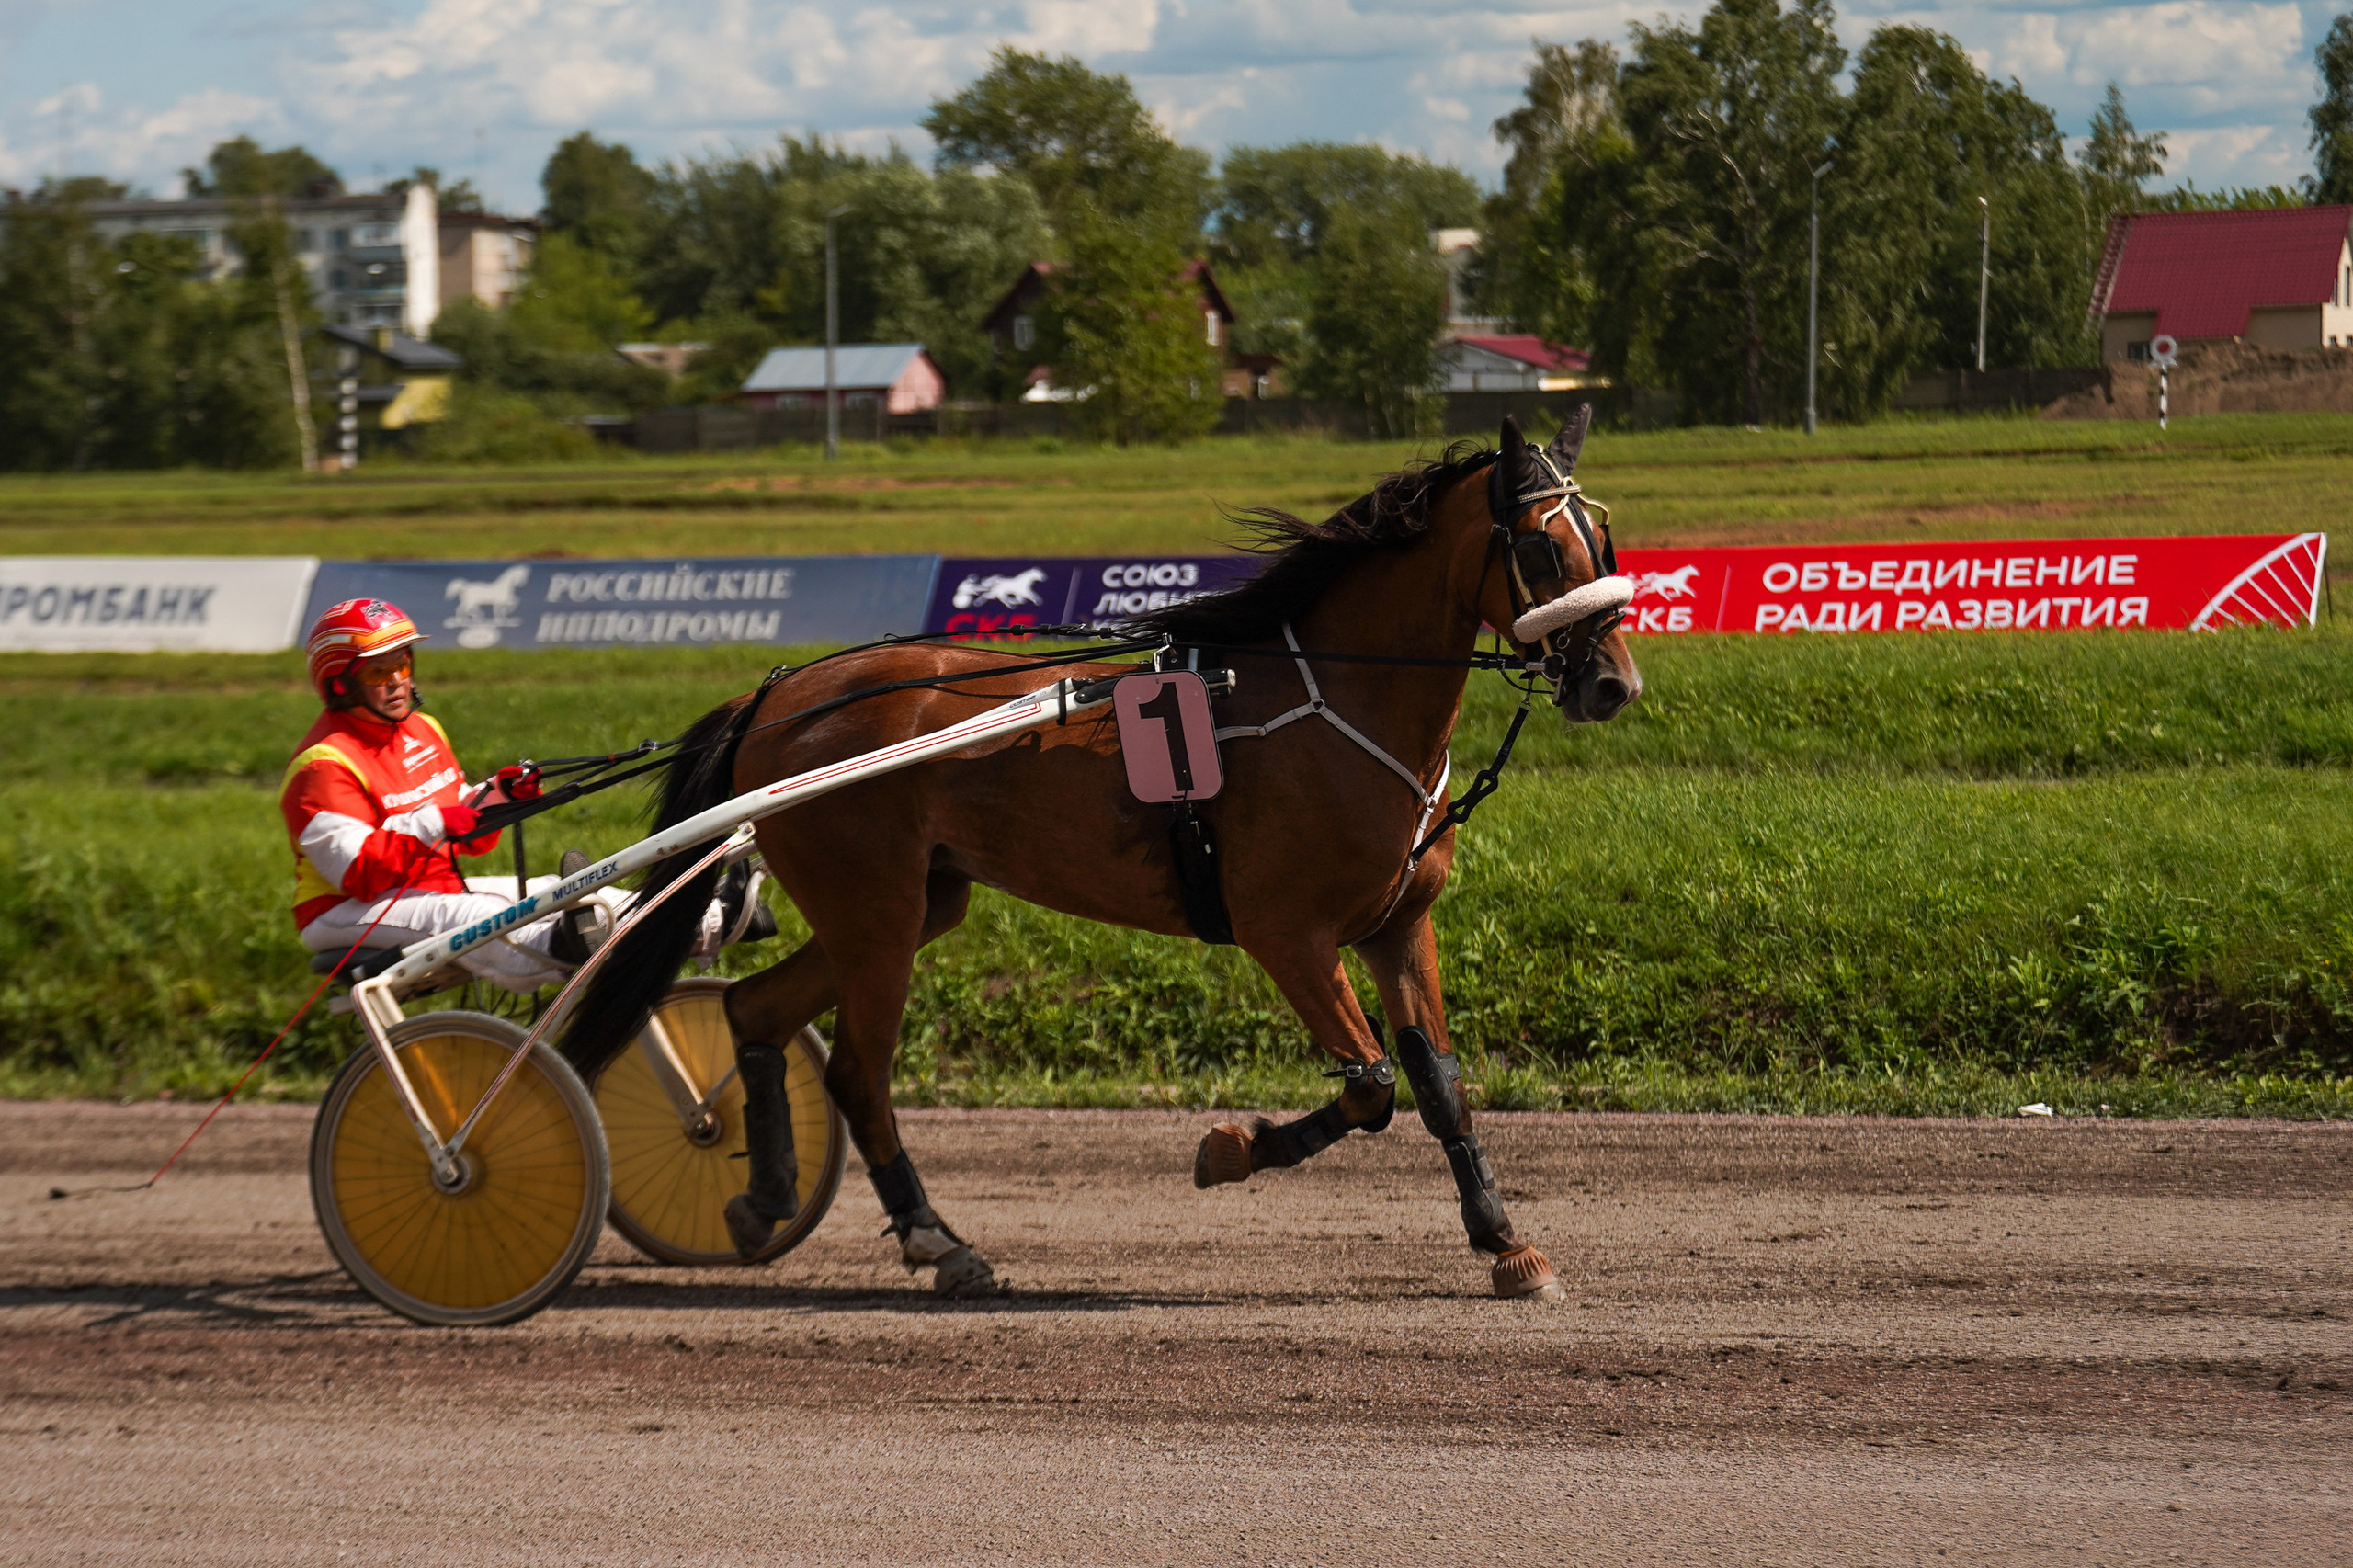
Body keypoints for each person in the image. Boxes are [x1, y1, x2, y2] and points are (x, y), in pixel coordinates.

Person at [278, 597, 743, 993]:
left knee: (554, 890)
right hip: (344, 911)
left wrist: (497, 797)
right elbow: (357, 871)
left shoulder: (422, 730)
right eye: (378, 671)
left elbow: (464, 826)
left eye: (401, 663)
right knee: (476, 914)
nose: (397, 679)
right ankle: (563, 945)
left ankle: (710, 920)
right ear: (339, 683)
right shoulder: (323, 766)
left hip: (427, 886)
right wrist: (441, 820)